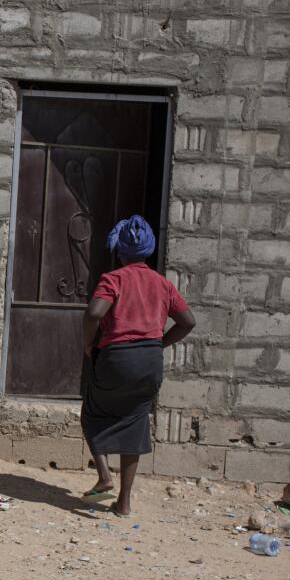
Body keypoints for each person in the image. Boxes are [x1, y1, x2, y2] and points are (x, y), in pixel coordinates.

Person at [80, 215, 195, 517]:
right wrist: (159, 343)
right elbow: (188, 322)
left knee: (93, 411)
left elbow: (94, 313)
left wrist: (88, 344)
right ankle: (124, 503)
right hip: (150, 363)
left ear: (120, 250)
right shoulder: (163, 284)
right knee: (135, 421)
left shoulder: (113, 279)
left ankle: (104, 475)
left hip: (116, 358)